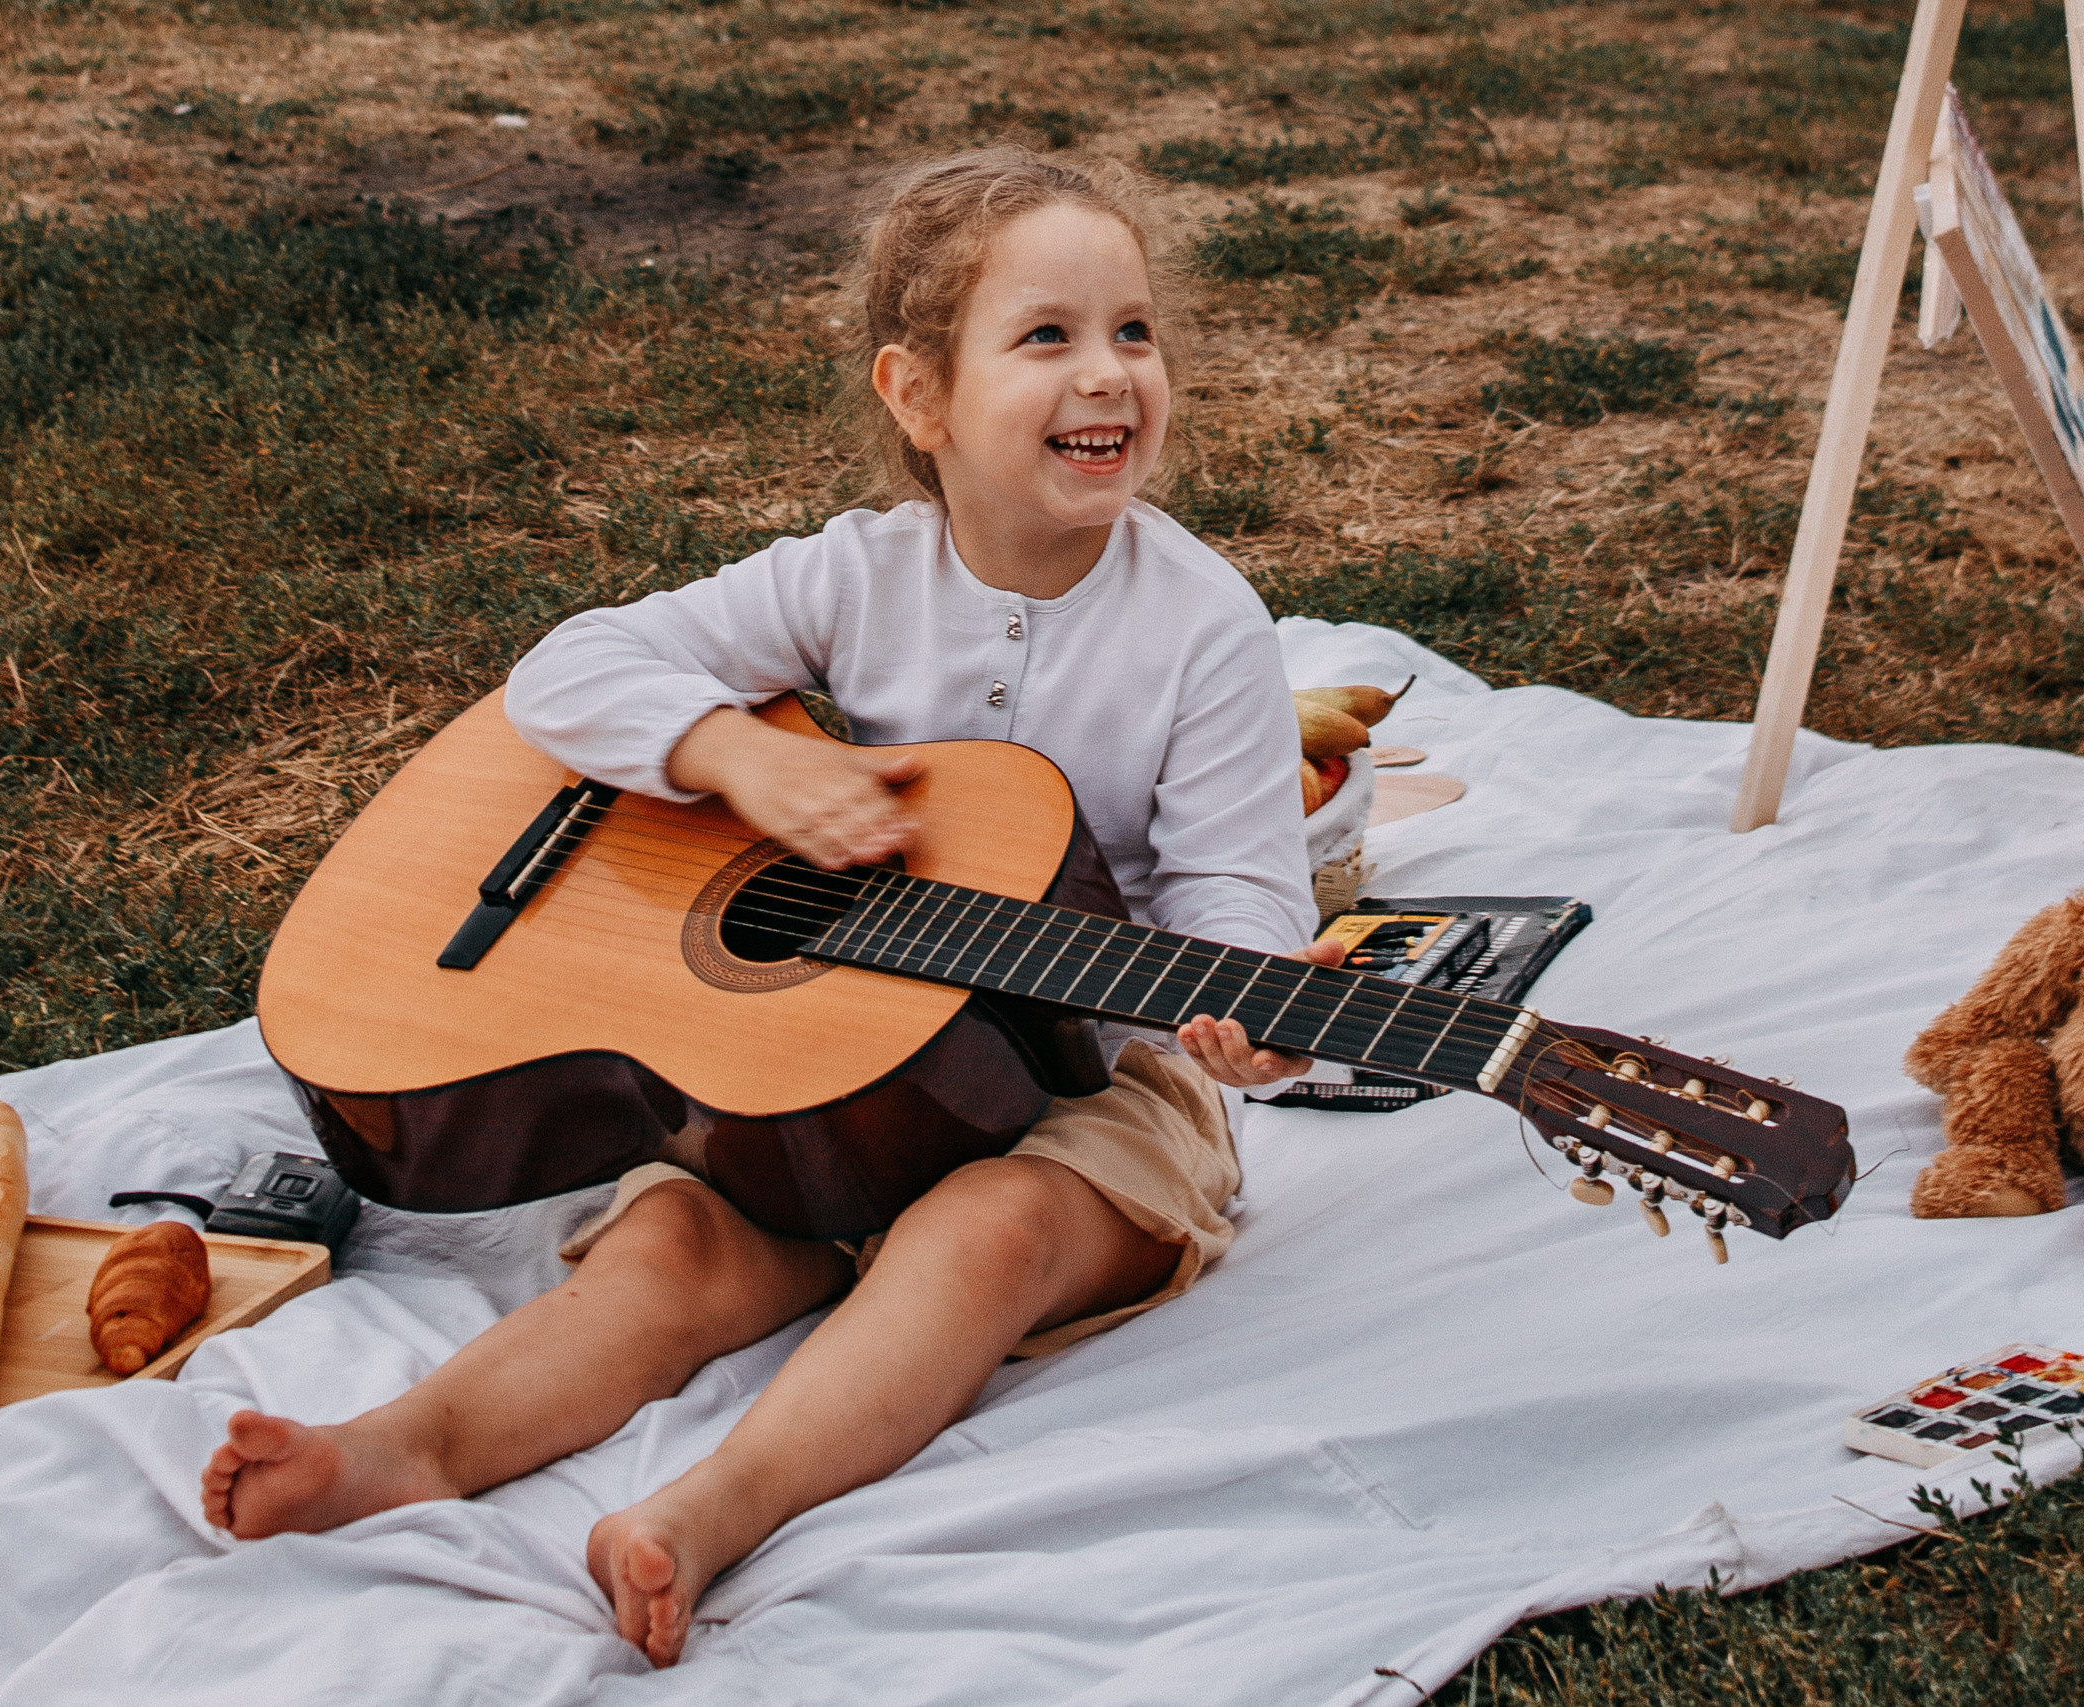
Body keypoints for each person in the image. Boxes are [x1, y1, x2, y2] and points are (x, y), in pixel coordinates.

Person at [198, 146, 1344, 1668]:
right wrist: (731, 754)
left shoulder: (1205, 627)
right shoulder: (856, 577)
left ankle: (714, 1507)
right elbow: (570, 670)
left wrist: (1253, 1019)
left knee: (987, 1226)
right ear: (918, 396)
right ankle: (404, 1446)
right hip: (829, 1084)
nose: (1110, 375)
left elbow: (1236, 908)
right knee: (668, 1254)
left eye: (1135, 331)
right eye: (1048, 336)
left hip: (1095, 1080)